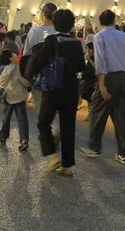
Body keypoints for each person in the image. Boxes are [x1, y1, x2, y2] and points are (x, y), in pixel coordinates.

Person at [35, 9, 85, 176]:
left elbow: (40, 62)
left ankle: (53, 156)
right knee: (68, 126)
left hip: (53, 87)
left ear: (54, 23)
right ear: (71, 25)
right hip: (71, 88)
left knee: (43, 122)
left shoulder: (50, 40)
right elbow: (80, 67)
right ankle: (67, 166)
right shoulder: (77, 43)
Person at [81, 10, 125, 164]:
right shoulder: (123, 36)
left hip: (108, 77)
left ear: (100, 21)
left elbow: (101, 62)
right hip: (122, 77)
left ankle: (94, 147)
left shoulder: (100, 36)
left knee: (97, 111)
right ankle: (124, 153)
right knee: (122, 116)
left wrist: (102, 85)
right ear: (114, 20)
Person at [23, 3, 58, 135]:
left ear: (43, 14)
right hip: (56, 73)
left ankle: (51, 130)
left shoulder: (35, 31)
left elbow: (27, 53)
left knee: (40, 105)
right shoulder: (59, 31)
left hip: (38, 74)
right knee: (52, 103)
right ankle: (53, 127)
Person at [0, 49, 30, 150]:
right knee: (22, 119)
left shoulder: (5, 69)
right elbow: (25, 82)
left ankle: (3, 136)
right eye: (13, 53)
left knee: (6, 118)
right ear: (11, 58)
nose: (16, 54)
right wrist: (30, 84)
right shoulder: (17, 69)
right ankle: (24, 140)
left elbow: (1, 82)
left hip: (8, 97)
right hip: (19, 97)